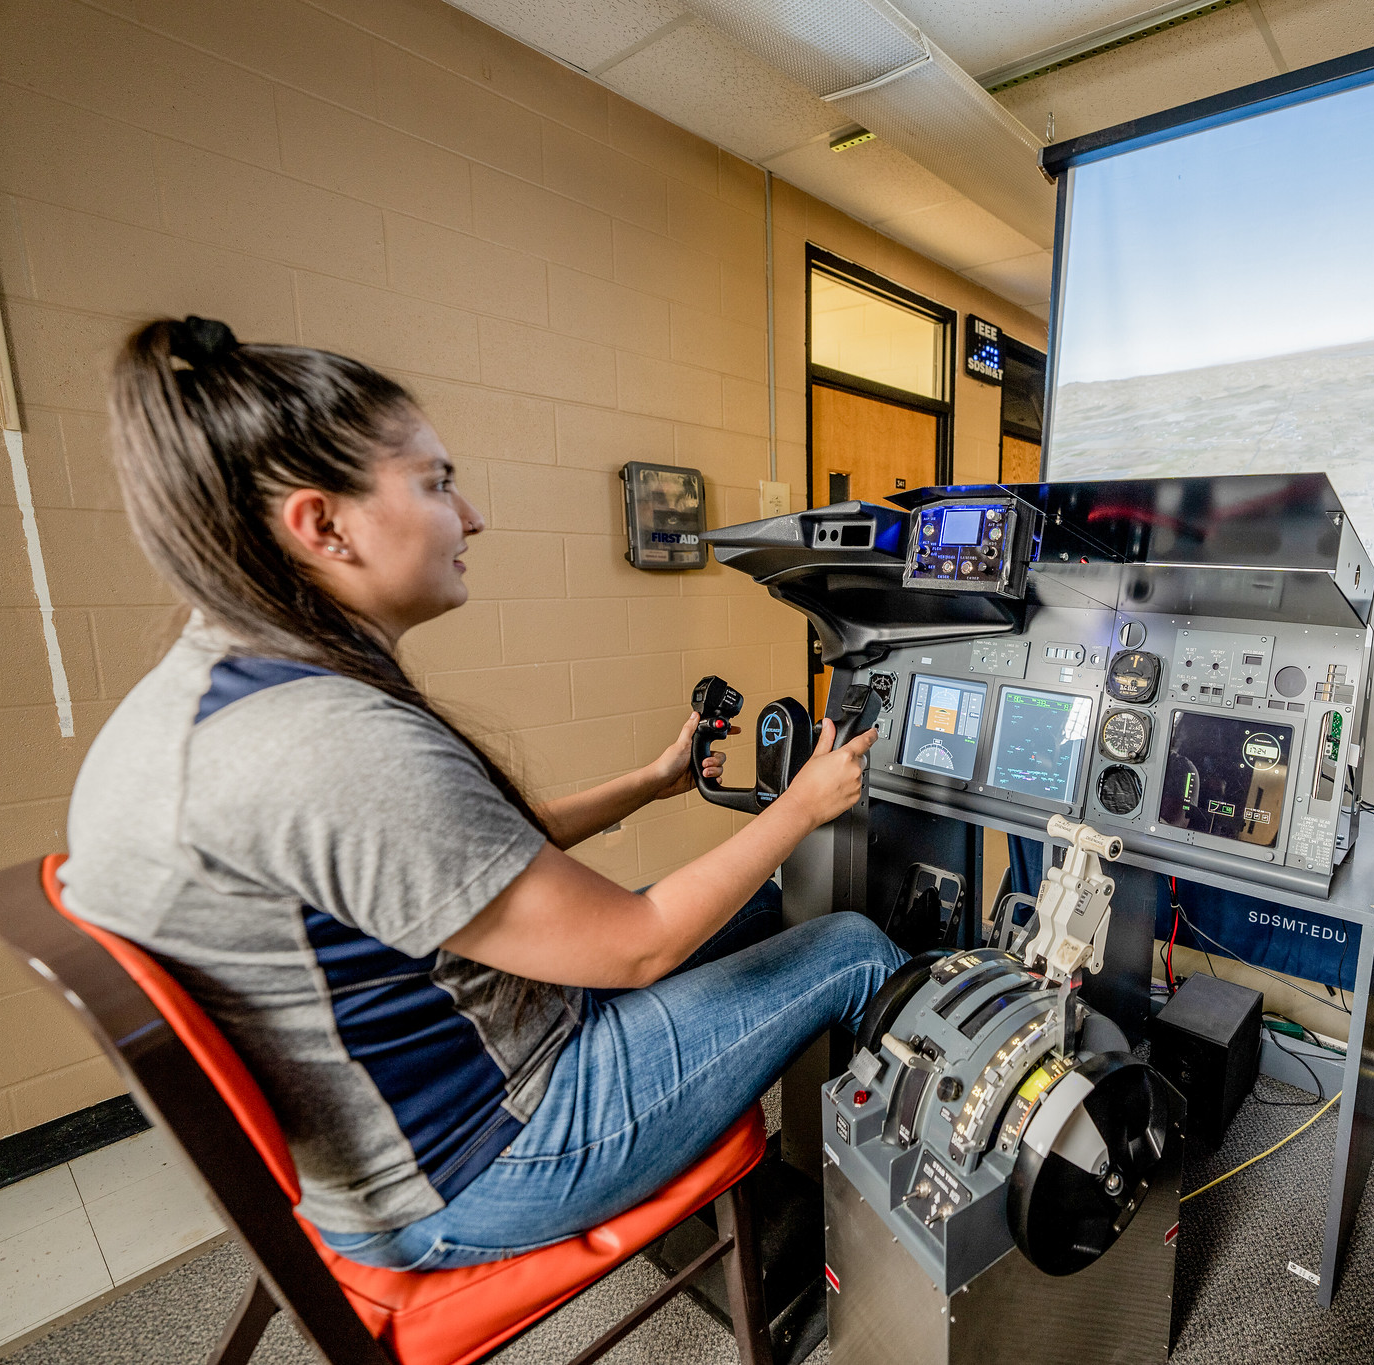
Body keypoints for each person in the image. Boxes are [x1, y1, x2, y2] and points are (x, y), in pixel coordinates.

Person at [60, 316, 904, 1272]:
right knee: (849, 942)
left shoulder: (218, 690)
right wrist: (804, 803)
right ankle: (878, 1257)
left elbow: (456, 860)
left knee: (773, 899)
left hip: (398, 1128)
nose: (471, 517)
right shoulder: (328, 742)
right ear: (321, 524)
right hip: (478, 1162)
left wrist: (650, 783)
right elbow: (636, 946)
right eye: (436, 483)